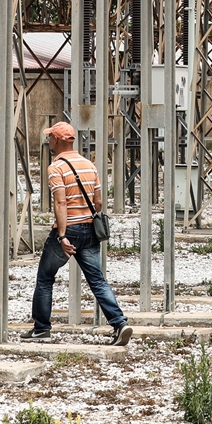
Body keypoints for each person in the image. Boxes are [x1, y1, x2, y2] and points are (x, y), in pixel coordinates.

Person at [22, 121, 132, 345]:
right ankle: (119, 323)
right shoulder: (89, 165)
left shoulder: (56, 168)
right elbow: (99, 202)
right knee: (98, 281)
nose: (48, 141)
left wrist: (62, 236)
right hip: (89, 229)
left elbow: (60, 202)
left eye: (50, 137)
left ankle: (41, 328)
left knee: (45, 278)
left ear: (56, 140)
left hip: (68, 229)